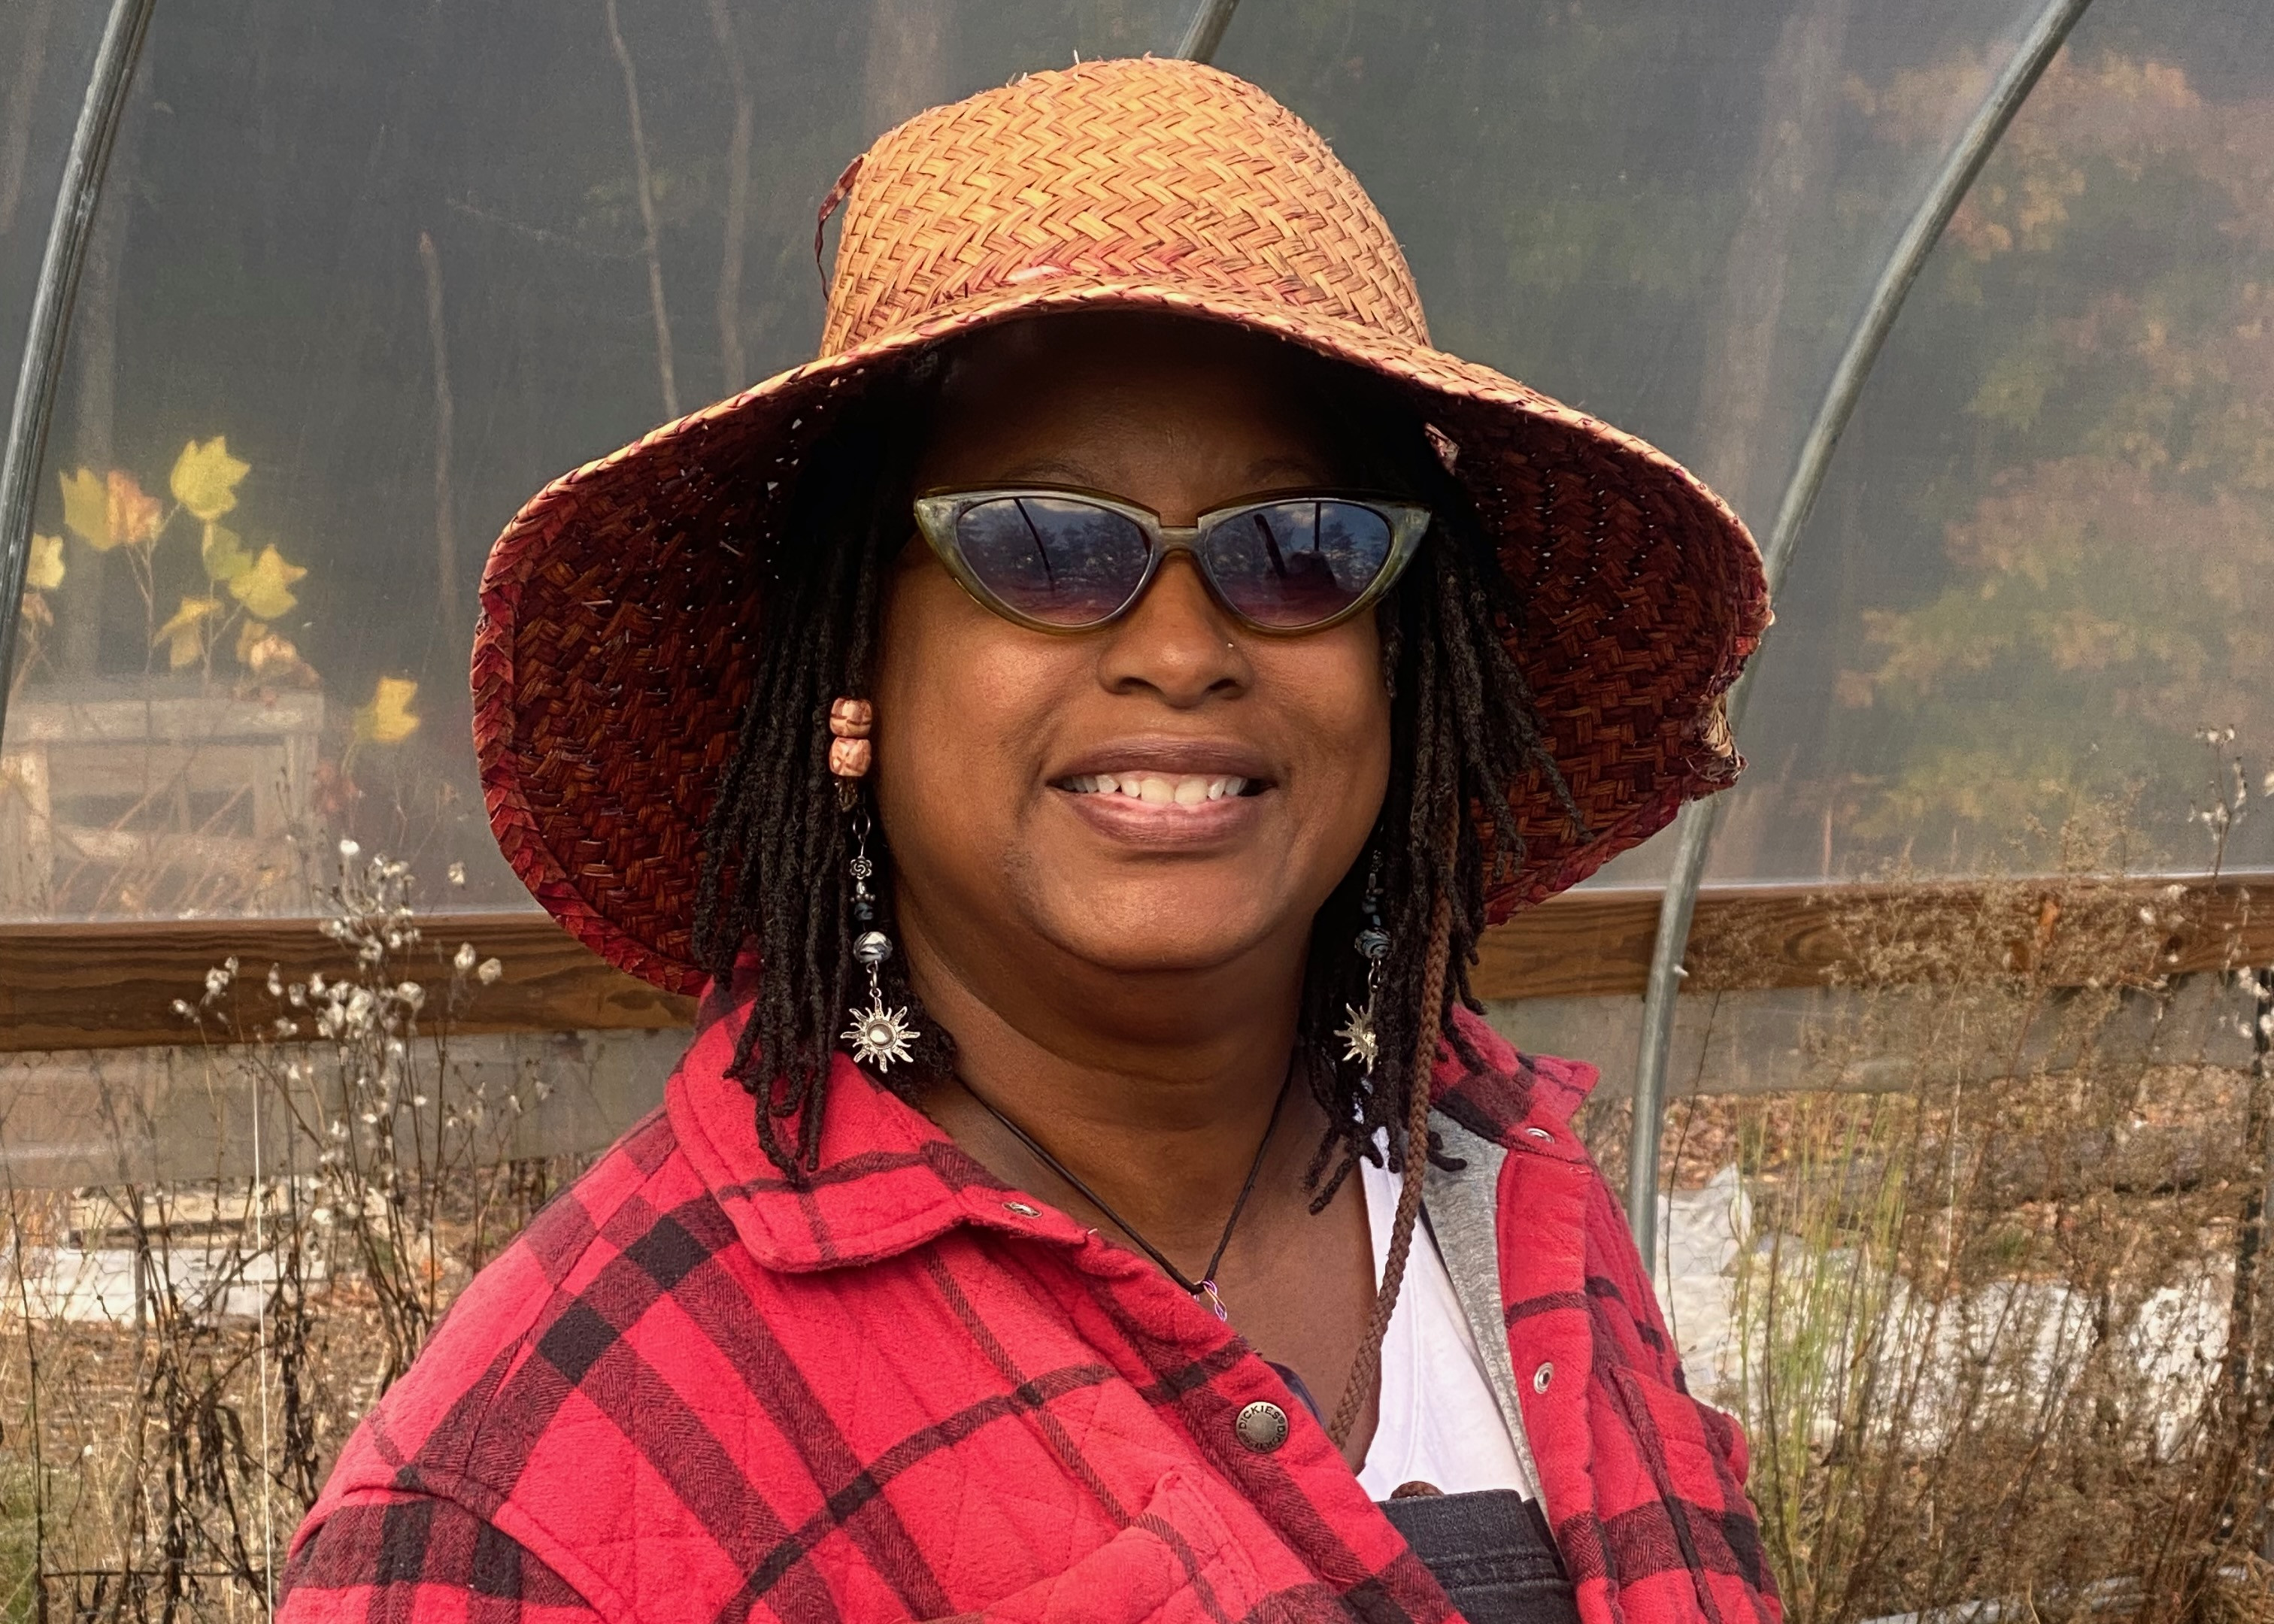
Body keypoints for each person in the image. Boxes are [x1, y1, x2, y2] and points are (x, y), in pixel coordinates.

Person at [280, 58, 1775, 1624]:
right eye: (1045, 544)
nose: (1184, 648)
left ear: (1404, 662)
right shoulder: (546, 1492)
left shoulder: (1501, 1182)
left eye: (1301, 548)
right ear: (858, 657)